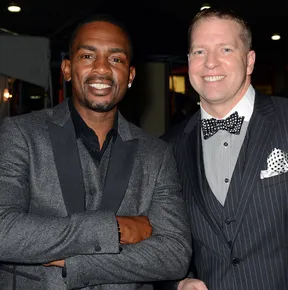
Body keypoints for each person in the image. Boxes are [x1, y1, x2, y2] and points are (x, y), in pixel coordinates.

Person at [0, 14, 191, 289]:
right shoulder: (20, 134)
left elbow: (175, 254)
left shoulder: (156, 154)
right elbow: (4, 231)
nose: (102, 69)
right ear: (67, 69)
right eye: (88, 56)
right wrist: (113, 229)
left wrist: (75, 264)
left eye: (116, 59)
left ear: (131, 76)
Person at [163, 8, 288, 290]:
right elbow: (166, 246)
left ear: (249, 61)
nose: (210, 63)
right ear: (188, 62)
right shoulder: (168, 148)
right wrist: (178, 283)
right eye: (199, 52)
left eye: (225, 49)